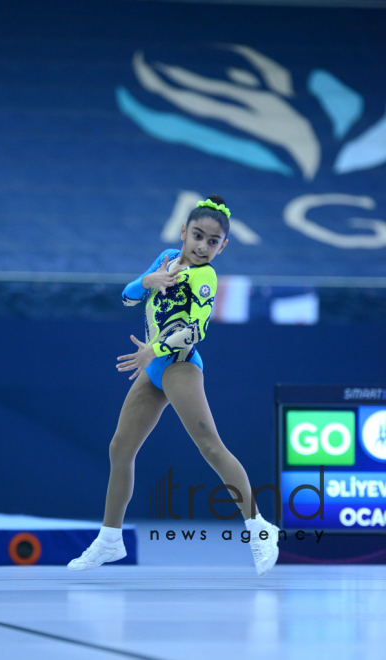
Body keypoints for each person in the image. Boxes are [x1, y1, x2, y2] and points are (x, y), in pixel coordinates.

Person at [67, 195, 279, 577]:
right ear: (183, 232)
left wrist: (155, 349)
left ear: (223, 246)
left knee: (211, 447)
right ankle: (110, 538)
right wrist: (146, 279)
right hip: (154, 366)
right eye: (197, 235)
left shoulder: (205, 277)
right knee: (120, 447)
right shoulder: (167, 257)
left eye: (212, 242)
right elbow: (128, 297)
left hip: (178, 365)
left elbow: (196, 330)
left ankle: (259, 528)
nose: (202, 246)